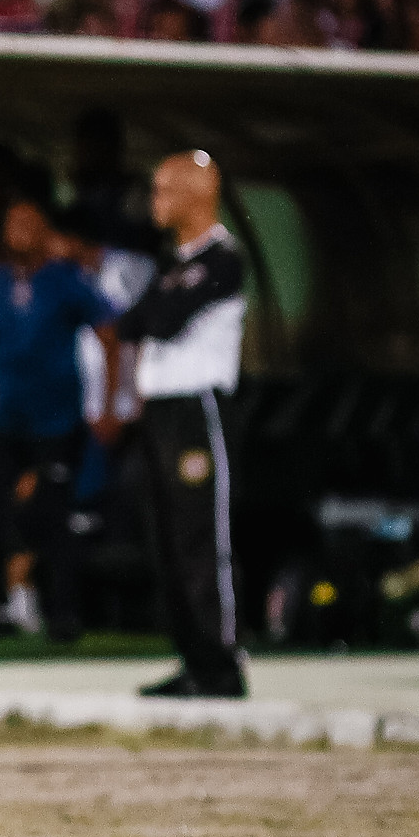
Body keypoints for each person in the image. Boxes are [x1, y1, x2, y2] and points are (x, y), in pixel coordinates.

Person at [0, 198, 121, 644]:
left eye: (31, 223)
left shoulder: (67, 280)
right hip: (7, 416)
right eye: (14, 222)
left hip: (57, 418)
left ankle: (63, 614)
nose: (21, 232)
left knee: (53, 514)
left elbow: (110, 336)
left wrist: (109, 404)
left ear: (46, 231)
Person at [119, 152, 248, 699]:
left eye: (165, 188)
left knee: (201, 538)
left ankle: (221, 664)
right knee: (167, 539)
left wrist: (160, 307)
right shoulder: (172, 263)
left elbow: (162, 321)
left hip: (198, 409)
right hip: (160, 410)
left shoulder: (225, 259)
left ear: (198, 192)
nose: (156, 200)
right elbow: (132, 322)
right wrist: (160, 305)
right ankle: (192, 659)